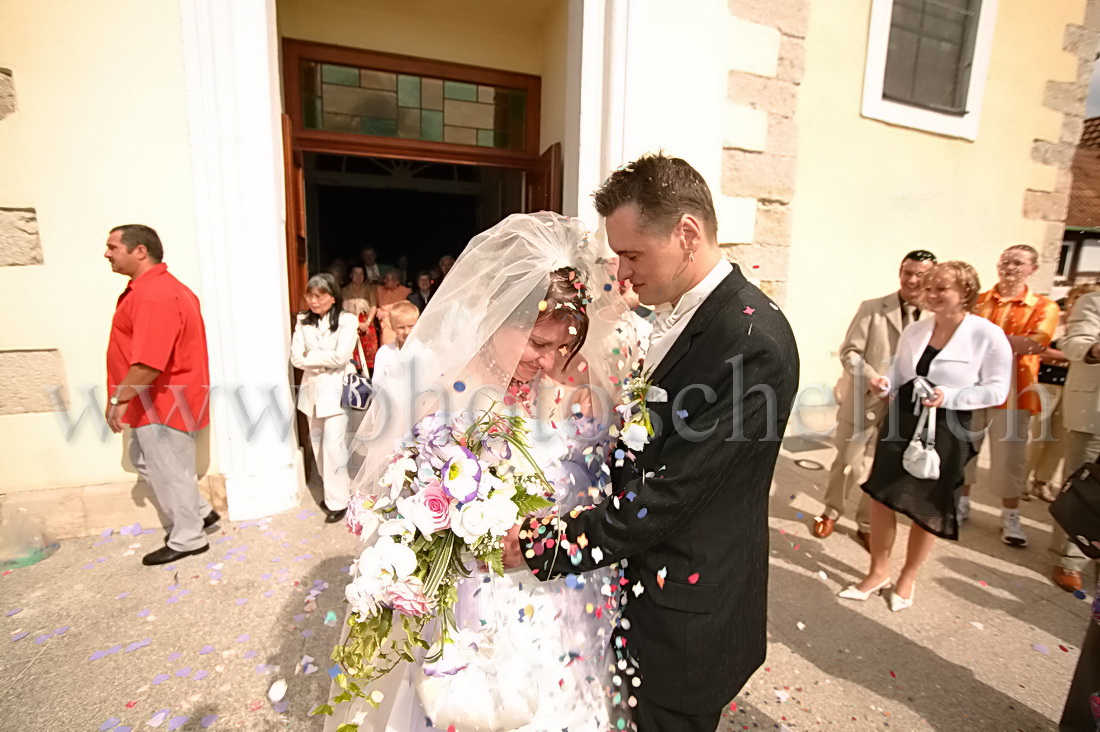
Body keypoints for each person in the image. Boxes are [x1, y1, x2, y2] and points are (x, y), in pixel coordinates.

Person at [505, 153, 799, 732]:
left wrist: (548, 546)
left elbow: (672, 491)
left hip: (686, 617)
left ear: (687, 233)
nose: (623, 272)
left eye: (633, 254)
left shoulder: (750, 342)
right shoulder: (683, 316)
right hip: (635, 595)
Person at [325, 212, 631, 731]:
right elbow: (402, 498)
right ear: (499, 318)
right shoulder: (439, 387)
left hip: (565, 591)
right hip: (480, 597)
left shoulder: (580, 384)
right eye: (537, 343)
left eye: (563, 347)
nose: (550, 360)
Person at [837, 261, 1010, 611]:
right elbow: (901, 373)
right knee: (881, 496)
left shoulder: (986, 334)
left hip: (949, 426)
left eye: (940, 289)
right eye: (928, 288)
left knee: (928, 504)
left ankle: (908, 576)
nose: (930, 295)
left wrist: (952, 396)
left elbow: (996, 391)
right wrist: (887, 384)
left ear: (965, 292)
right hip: (904, 418)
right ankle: (878, 572)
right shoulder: (917, 329)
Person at [103, 224, 218, 566]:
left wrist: (117, 400)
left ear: (140, 251)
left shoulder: (155, 294)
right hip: (160, 401)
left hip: (163, 402)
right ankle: (201, 512)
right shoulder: (159, 290)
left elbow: (150, 363)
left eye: (113, 247)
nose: (107, 253)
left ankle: (189, 538)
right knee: (149, 461)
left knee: (171, 470)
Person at [814, 250, 937, 550]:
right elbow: (849, 353)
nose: (912, 279)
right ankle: (831, 512)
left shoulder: (936, 318)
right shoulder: (872, 309)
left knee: (885, 467)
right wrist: (870, 376)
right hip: (864, 399)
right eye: (907, 271)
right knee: (848, 462)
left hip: (905, 407)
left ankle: (868, 524)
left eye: (920, 274)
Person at [961, 245, 1059, 546]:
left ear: (1032, 268)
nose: (1010, 268)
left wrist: (985, 339)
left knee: (1010, 459)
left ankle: (1010, 516)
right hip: (973, 388)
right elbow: (960, 336)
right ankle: (961, 503)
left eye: (1018, 263)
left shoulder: (1044, 307)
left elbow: (1035, 344)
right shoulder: (978, 301)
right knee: (965, 451)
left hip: (1016, 391)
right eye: (1005, 261)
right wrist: (1007, 341)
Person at [291, 273, 359, 524]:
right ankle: (332, 495)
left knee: (334, 447)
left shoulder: (347, 320)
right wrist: (324, 358)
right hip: (311, 394)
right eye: (310, 295)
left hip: (336, 392)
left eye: (319, 295)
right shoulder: (303, 321)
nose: (313, 300)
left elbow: (341, 357)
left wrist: (313, 357)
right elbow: (296, 358)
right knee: (318, 446)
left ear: (332, 296)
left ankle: (339, 501)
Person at [1027, 284, 1100, 505]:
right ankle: (1022, 480)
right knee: (1041, 437)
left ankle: (1042, 481)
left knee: (1056, 443)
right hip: (1051, 386)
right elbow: (1044, 349)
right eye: (1074, 297)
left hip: (1066, 382)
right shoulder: (1063, 316)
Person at [1049, 288, 1100, 592]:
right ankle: (1069, 558)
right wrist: (1095, 349)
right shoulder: (1093, 300)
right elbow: (1074, 344)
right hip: (1094, 410)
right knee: (1083, 486)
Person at [370, 299, 418, 389]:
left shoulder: (425, 353)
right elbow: (377, 384)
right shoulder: (384, 353)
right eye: (401, 327)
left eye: (411, 326)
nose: (407, 332)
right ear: (392, 326)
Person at [341, 265, 379, 371]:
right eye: (355, 273)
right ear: (350, 275)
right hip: (350, 323)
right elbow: (342, 311)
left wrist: (367, 322)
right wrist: (356, 324)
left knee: (370, 354)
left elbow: (373, 306)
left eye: (361, 274)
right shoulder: (344, 290)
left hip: (367, 323)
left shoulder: (369, 289)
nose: (358, 276)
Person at [375, 270, 412, 346]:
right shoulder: (379, 290)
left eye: (388, 279)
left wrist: (386, 313)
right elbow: (376, 305)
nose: (384, 281)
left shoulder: (406, 291)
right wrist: (378, 310)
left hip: (399, 324)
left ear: (396, 282)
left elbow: (406, 308)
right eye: (385, 278)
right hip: (385, 325)